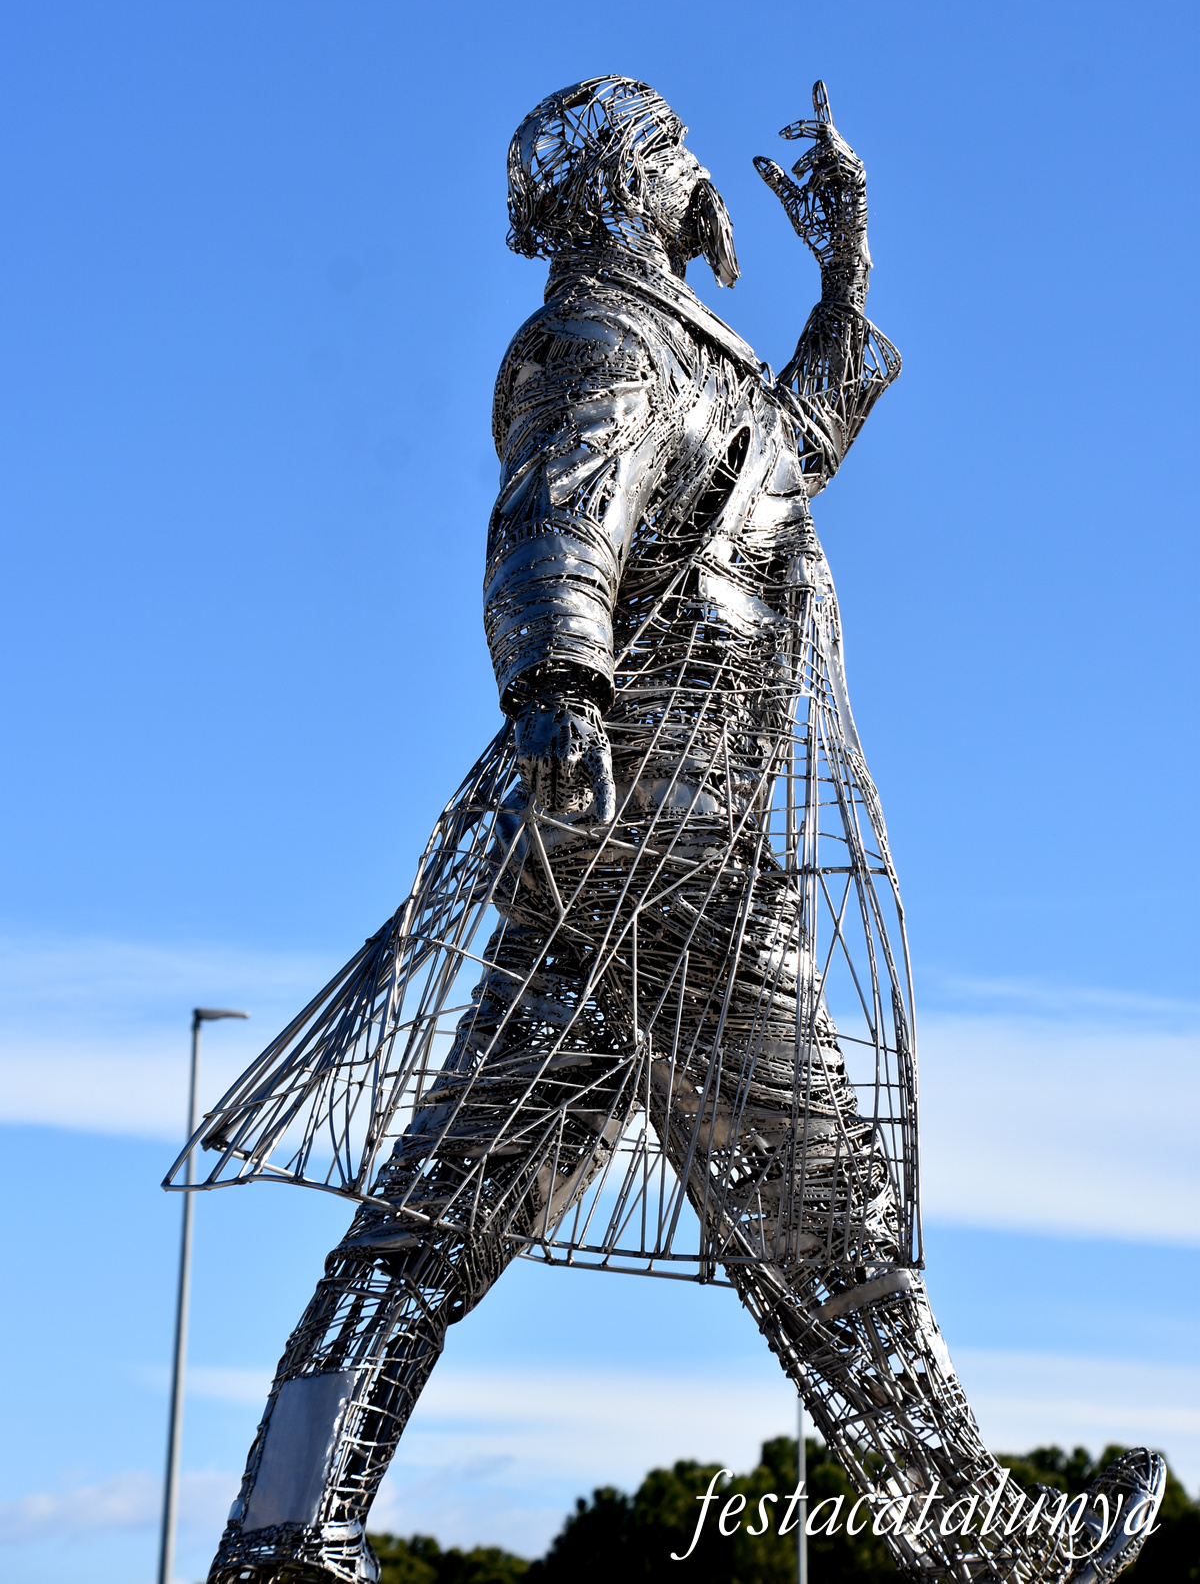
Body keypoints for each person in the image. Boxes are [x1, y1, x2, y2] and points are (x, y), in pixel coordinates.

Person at [188, 78, 1162, 1584]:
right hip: (667, 846)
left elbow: (794, 445)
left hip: (630, 854)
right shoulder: (608, 337)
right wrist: (561, 685)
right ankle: (996, 1558)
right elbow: (552, 520)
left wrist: (847, 273)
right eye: (684, 158)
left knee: (439, 1219)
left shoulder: (684, 351)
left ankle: (279, 1534)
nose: (710, 185)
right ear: (633, 181)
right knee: (830, 1234)